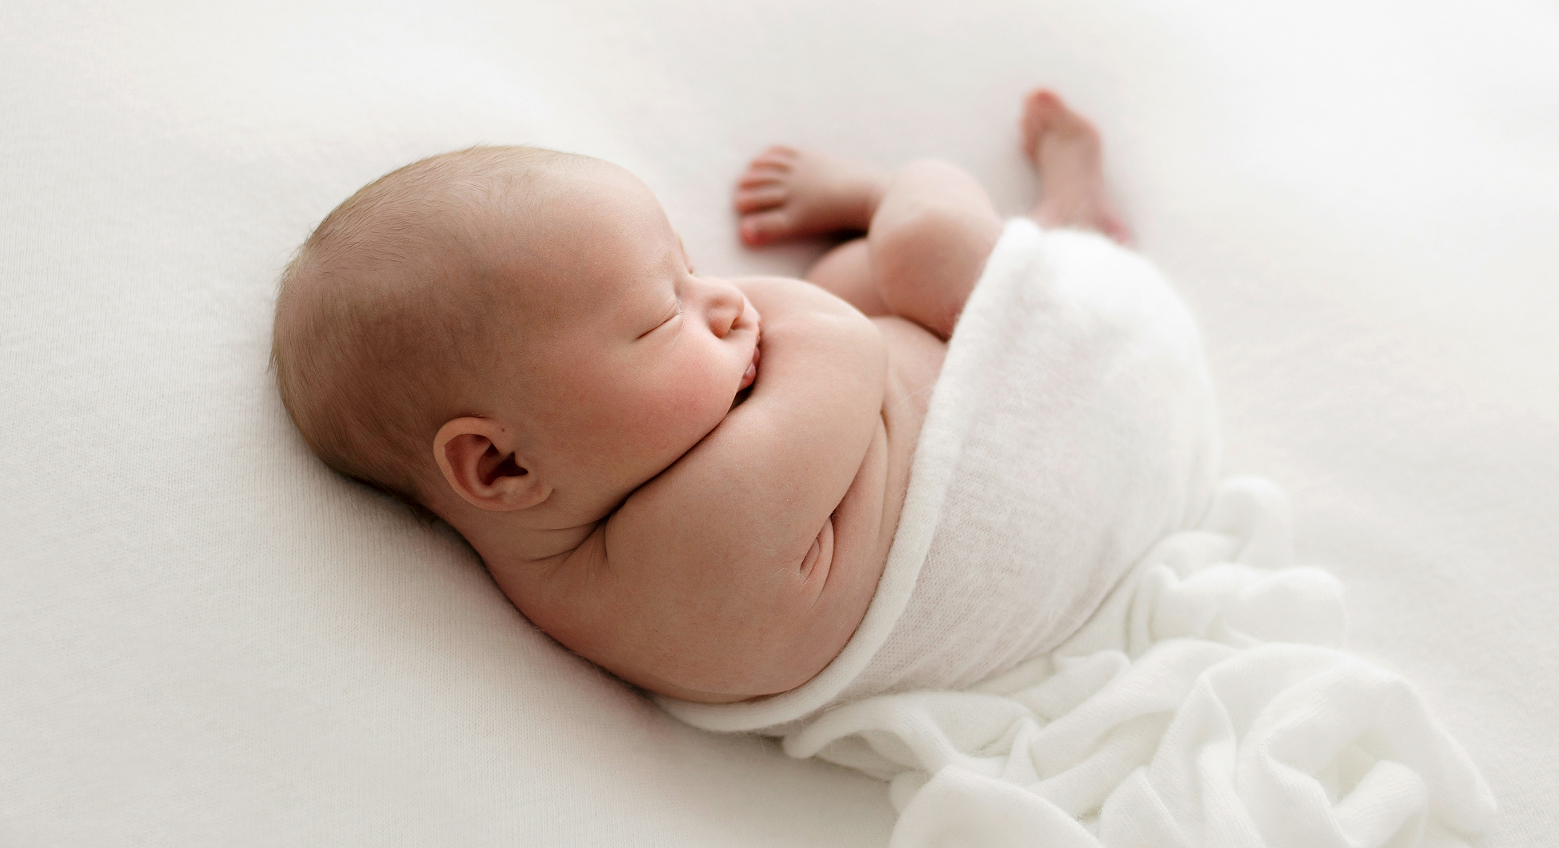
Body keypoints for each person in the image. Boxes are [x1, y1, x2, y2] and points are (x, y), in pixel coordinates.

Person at [271, 90, 1208, 707]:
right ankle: (984, 219)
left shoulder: (588, 559)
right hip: (1090, 424)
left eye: (689, 271)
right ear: (503, 464)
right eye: (657, 316)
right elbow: (839, 349)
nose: (724, 299)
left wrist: (689, 332)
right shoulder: (685, 551)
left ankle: (1041, 247)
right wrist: (790, 320)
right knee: (911, 251)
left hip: (1012, 438)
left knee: (852, 275)